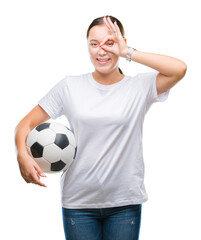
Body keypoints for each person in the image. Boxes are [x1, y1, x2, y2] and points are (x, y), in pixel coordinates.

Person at [15, 15, 187, 240]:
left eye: (109, 43)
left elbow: (179, 69)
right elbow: (25, 125)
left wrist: (128, 52)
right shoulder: (70, 86)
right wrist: (21, 153)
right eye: (94, 44)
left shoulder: (139, 87)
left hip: (124, 203)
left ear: (121, 42)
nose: (101, 51)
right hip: (79, 202)